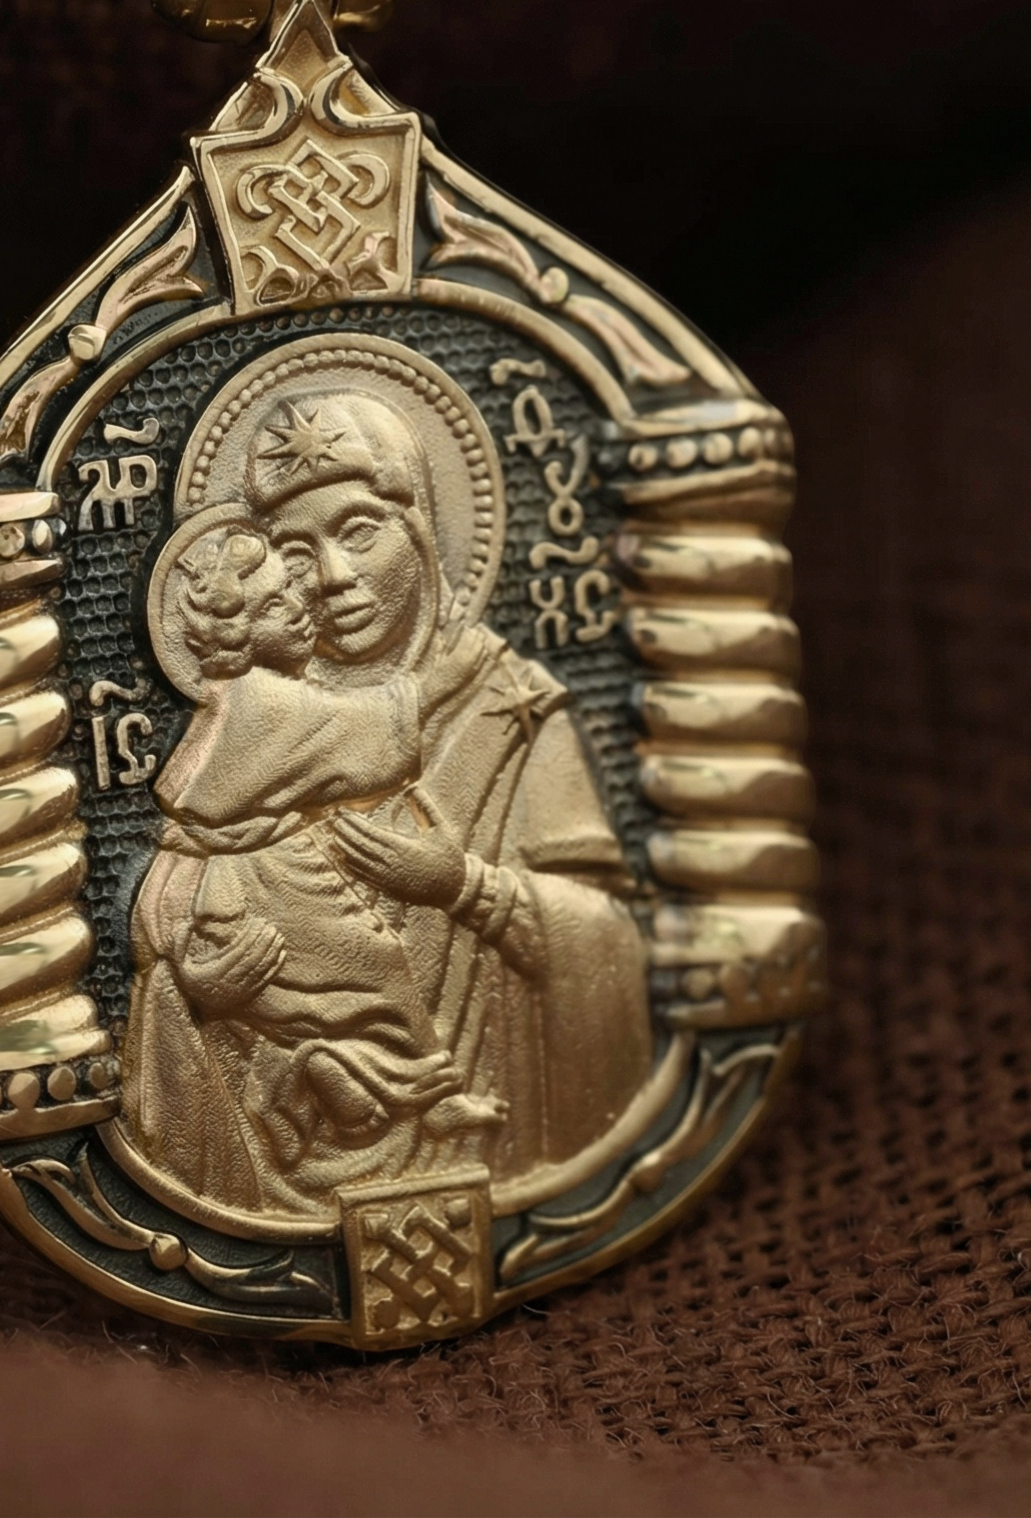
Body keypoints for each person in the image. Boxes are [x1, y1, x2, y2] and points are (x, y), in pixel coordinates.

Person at [121, 386, 651, 1222]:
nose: (334, 578)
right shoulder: (260, 713)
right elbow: (178, 893)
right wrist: (193, 982)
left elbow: (608, 939)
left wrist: (463, 885)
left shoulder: (507, 708)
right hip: (275, 1164)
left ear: (422, 527)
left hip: (498, 1142)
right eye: (296, 554)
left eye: (360, 531)